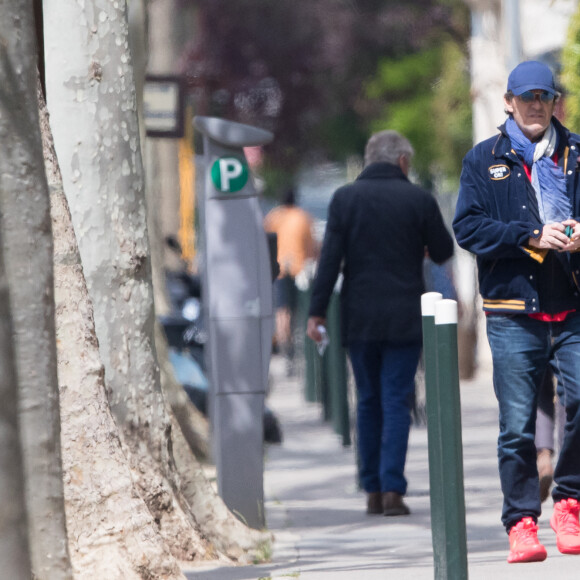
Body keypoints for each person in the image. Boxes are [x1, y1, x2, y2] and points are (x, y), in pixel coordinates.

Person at [453, 60, 580, 563]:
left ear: (554, 104)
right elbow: (468, 229)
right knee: (517, 427)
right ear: (508, 101)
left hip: (571, 306)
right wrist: (530, 236)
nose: (534, 105)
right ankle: (522, 521)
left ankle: (569, 502)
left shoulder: (576, 154)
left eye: (543, 97)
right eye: (525, 97)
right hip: (512, 311)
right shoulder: (484, 160)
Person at [306, 130, 454, 517]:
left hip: (360, 317)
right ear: (403, 161)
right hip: (405, 315)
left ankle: (370, 487)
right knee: (396, 400)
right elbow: (443, 250)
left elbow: (330, 260)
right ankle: (393, 488)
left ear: (371, 159)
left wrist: (316, 312)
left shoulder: (344, 199)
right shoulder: (419, 199)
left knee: (368, 400)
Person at [264, 188, 318, 374]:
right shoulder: (303, 217)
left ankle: (286, 347)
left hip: (279, 268)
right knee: (299, 310)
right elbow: (312, 245)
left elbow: (265, 240)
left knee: (282, 311)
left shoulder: (274, 217)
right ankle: (297, 346)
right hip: (299, 269)